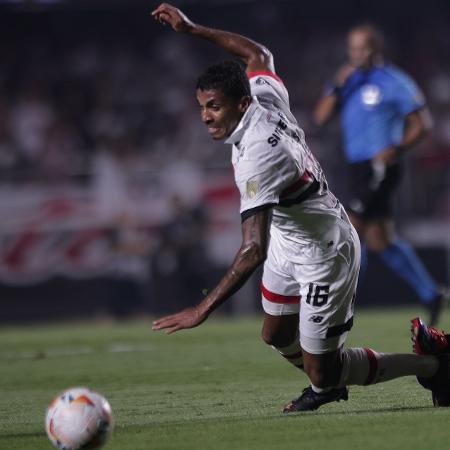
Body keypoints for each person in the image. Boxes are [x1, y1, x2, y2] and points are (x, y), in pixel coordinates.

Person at [151, 3, 450, 412]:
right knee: (274, 333)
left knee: (324, 373)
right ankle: (325, 374)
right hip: (290, 243)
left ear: (240, 104)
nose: (205, 117)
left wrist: (201, 309)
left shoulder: (259, 153)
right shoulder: (262, 95)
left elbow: (252, 248)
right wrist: (191, 28)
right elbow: (258, 56)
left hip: (324, 252)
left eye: (214, 106)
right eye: (202, 106)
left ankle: (433, 365)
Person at [313, 24, 448, 326]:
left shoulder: (394, 81)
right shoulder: (347, 81)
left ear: (376, 49)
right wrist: (336, 84)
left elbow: (422, 124)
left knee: (350, 230)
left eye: (362, 48)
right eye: (353, 49)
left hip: (380, 167)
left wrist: (396, 149)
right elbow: (321, 117)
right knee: (380, 241)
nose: (356, 54)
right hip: (355, 167)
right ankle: (431, 293)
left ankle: (341, 306)